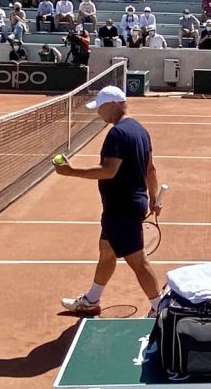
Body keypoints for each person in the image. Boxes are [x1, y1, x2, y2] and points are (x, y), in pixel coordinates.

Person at [57, 86, 165, 317]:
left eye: (101, 107)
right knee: (106, 252)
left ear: (114, 105)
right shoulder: (140, 130)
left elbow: (108, 171)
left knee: (138, 261)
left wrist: (71, 171)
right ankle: (91, 300)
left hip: (122, 208)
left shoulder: (117, 134)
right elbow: (151, 168)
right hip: (128, 205)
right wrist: (154, 197)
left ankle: (160, 308)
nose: (99, 113)